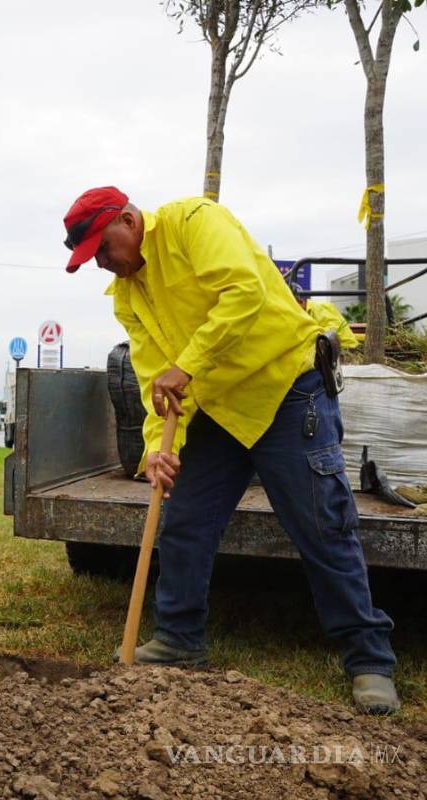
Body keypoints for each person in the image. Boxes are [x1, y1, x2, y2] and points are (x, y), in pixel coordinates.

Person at [62, 186, 399, 714]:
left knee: (323, 527)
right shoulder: (128, 295)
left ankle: (369, 660)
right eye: (93, 259)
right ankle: (178, 640)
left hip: (284, 390)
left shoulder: (196, 222)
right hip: (219, 411)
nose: (104, 264)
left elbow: (244, 293)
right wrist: (156, 448)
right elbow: (157, 379)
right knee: (187, 520)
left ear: (128, 220)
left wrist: (189, 364)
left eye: (103, 249)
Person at [292, 287, 362, 350]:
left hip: (346, 349)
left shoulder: (323, 308)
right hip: (331, 352)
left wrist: (310, 333)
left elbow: (333, 331)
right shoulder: (302, 315)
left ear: (300, 302)